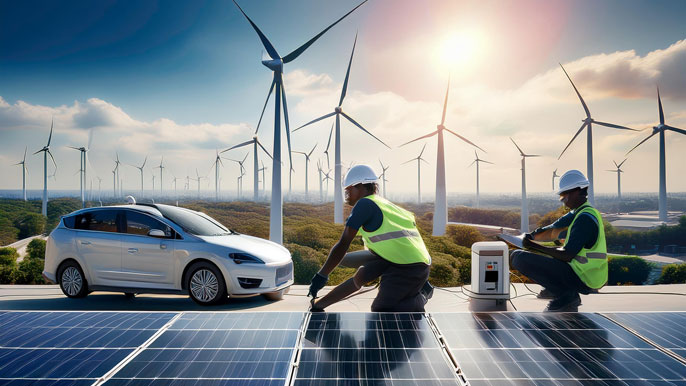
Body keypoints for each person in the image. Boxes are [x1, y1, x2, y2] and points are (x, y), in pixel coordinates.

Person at [308, 165, 432, 312]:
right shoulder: (381, 203)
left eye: (349, 189)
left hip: (409, 267)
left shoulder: (365, 204)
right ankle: (321, 303)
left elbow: (343, 244)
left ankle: (420, 296)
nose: (346, 193)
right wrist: (318, 304)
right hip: (396, 258)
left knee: (383, 309)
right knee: (351, 267)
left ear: (360, 186)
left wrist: (321, 276)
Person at [511, 170, 607, 312]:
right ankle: (556, 289)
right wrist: (530, 237)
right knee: (523, 255)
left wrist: (533, 246)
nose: (563, 199)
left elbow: (567, 254)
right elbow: (553, 230)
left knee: (518, 258)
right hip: (583, 271)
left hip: (585, 276)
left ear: (577, 191)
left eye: (564, 195)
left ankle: (566, 295)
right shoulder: (579, 212)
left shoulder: (584, 219)